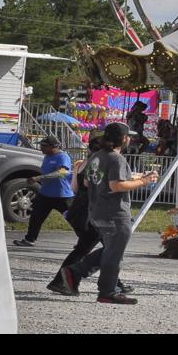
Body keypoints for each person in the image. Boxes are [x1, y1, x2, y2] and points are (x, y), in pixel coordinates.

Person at [58, 122, 158, 304]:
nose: (129, 139)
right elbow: (116, 185)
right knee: (114, 253)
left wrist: (131, 178)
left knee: (111, 250)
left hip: (96, 211)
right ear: (122, 138)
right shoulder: (116, 158)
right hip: (115, 213)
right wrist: (144, 181)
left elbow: (87, 183)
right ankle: (107, 291)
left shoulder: (97, 156)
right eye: (128, 136)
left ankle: (75, 272)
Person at [14, 136, 74, 247]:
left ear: (53, 146)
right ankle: (29, 239)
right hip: (45, 194)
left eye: (43, 146)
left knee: (74, 219)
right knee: (35, 217)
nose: (40, 148)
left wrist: (38, 178)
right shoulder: (47, 156)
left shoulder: (63, 156)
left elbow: (62, 172)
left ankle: (84, 241)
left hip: (62, 195)